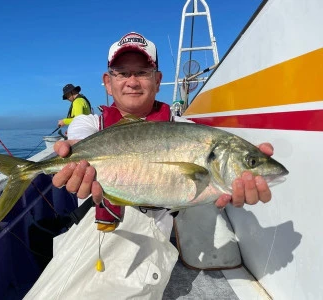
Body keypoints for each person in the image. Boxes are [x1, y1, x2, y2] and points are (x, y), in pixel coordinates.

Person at [24, 32, 274, 299]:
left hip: (147, 247)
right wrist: (70, 158)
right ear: (108, 83)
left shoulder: (188, 133)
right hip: (90, 235)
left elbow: (206, 180)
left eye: (142, 72)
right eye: (122, 73)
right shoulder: (89, 125)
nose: (132, 81)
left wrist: (245, 173)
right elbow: (79, 142)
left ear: (157, 80)